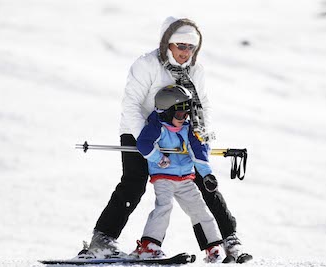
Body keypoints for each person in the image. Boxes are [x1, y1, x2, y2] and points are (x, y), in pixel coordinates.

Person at [84, 16, 249, 262]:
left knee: (205, 181)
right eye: (180, 45)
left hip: (181, 133)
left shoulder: (196, 70)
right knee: (135, 182)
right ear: (167, 43)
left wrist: (200, 138)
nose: (186, 52)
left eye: (191, 47)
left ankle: (230, 240)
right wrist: (148, 141)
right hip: (139, 130)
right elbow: (131, 106)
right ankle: (102, 240)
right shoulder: (147, 64)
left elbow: (202, 104)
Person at [133, 84, 224, 263]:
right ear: (166, 112)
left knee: (199, 209)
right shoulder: (157, 127)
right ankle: (149, 246)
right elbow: (143, 144)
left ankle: (212, 247)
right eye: (180, 114)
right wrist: (158, 158)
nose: (185, 118)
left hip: (185, 179)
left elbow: (198, 150)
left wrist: (207, 175)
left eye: (187, 113)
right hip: (164, 176)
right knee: (164, 207)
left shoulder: (188, 128)